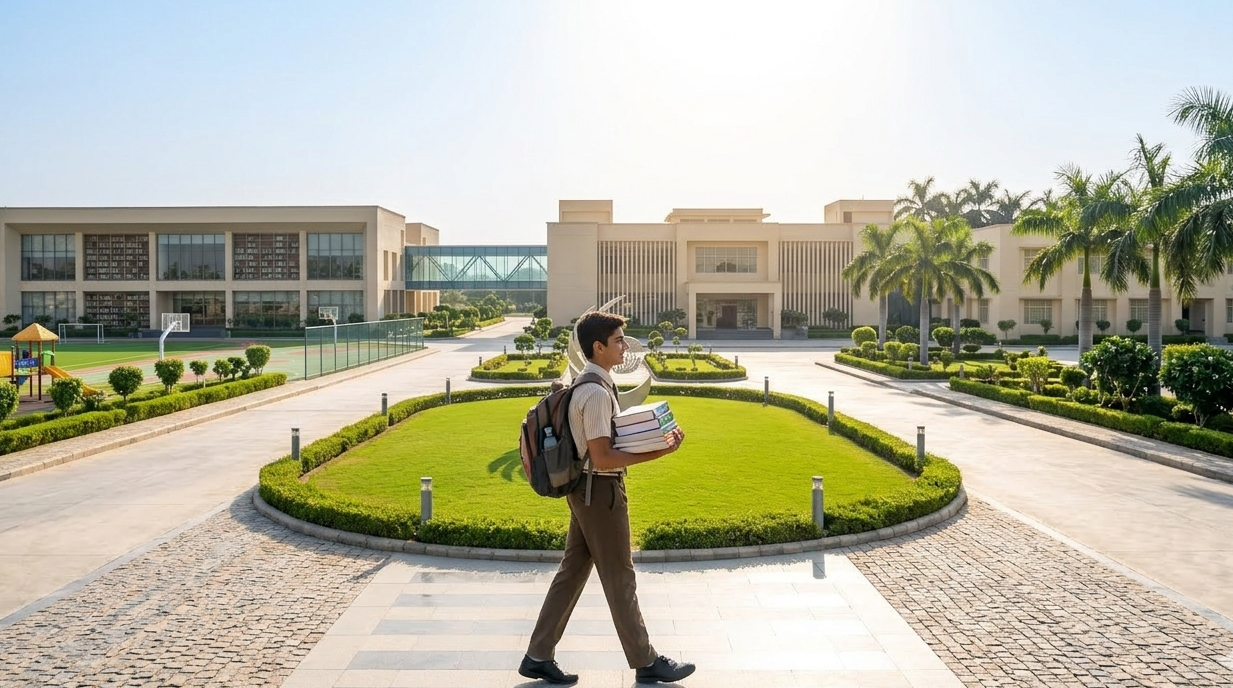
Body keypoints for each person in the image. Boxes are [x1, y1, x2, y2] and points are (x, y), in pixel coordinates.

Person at [519, 311, 694, 685]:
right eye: (617, 341)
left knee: (572, 572)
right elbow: (602, 457)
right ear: (597, 348)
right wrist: (661, 452)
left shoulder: (590, 385)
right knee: (620, 578)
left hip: (585, 490)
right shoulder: (596, 394)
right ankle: (646, 661)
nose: (624, 346)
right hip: (600, 493)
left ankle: (537, 655)